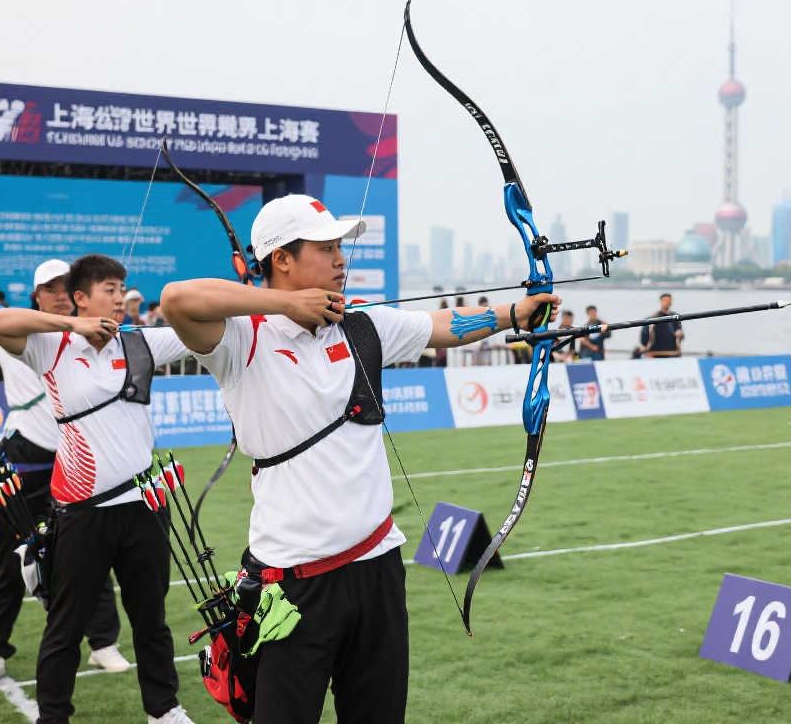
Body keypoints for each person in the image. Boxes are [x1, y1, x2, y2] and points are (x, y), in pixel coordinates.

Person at [160, 193, 560, 724]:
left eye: (340, 249)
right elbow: (176, 299)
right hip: (293, 585)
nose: (341, 260)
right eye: (326, 249)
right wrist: (287, 304)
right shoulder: (240, 339)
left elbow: (441, 326)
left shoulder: (362, 325)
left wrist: (514, 313)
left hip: (377, 571)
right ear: (282, 258)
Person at [0, 254, 195, 724]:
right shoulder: (50, 345)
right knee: (66, 624)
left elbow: (201, 320)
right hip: (81, 510)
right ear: (80, 298)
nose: (120, 297)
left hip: (143, 507)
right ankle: (53, 715)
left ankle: (164, 708)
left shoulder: (141, 342)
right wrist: (72, 325)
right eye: (109, 289)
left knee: (151, 621)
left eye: (123, 289)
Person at [0, 259, 130, 689]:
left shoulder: (89, 335)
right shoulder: (21, 331)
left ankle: (102, 643)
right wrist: (74, 325)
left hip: (77, 461)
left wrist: (82, 326)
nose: (59, 295)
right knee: (11, 557)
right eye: (50, 288)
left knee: (89, 553)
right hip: (28, 458)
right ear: (36, 295)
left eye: (66, 288)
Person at [637, 293, 683, 358]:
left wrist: (680, 334)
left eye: (669, 301)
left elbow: (680, 334)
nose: (668, 302)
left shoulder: (675, 317)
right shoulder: (652, 318)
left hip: (672, 353)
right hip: (655, 354)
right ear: (661, 301)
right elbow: (643, 339)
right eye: (665, 300)